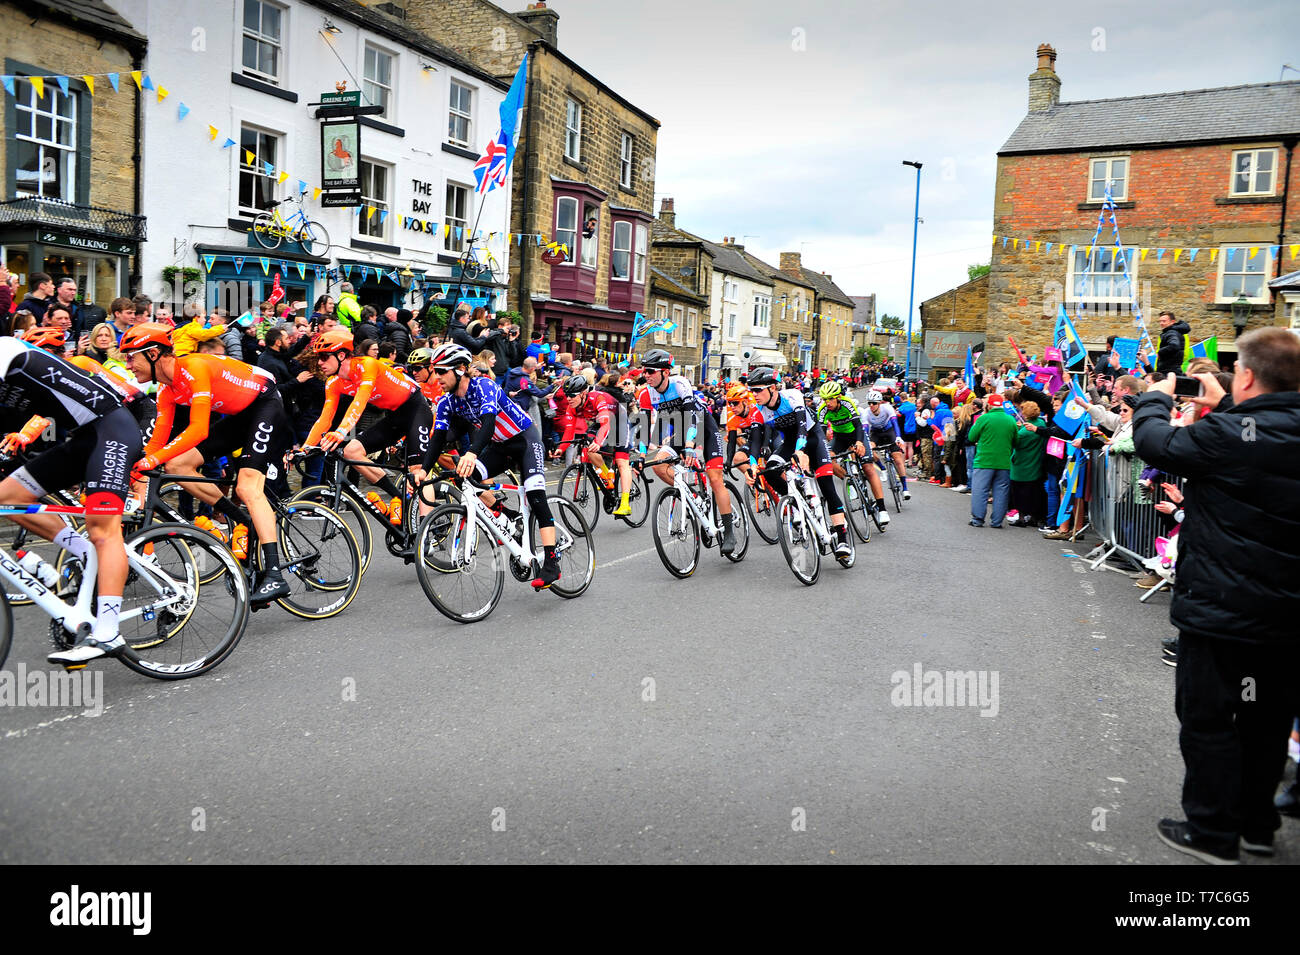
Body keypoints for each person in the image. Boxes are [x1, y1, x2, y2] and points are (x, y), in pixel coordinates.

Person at [1132, 326, 1300, 864]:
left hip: (1224, 612)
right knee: (1265, 721)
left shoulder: (1230, 435)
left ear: (1247, 374)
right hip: (1286, 618)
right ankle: (1256, 823)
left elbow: (1157, 443)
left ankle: (1211, 831)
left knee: (1209, 720)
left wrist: (1156, 398)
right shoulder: (1247, 427)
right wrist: (1227, 404)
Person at [121, 322, 294, 605]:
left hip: (266, 404)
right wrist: (137, 466)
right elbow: (156, 443)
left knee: (248, 487)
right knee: (176, 466)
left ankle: (275, 574)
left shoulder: (193, 368)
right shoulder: (167, 391)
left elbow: (199, 429)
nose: (128, 365)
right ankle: (243, 521)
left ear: (153, 354)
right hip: (240, 415)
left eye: (131, 357)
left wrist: (153, 458)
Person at [0, 334, 142, 666]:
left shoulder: (5, 350)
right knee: (8, 497)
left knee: (103, 530)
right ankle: (85, 553)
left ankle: (108, 633)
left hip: (112, 430)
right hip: (84, 438)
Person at [421, 341, 563, 588]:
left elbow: (487, 423)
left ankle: (551, 561)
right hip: (500, 447)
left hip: (525, 440)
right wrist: (422, 470)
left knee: (535, 493)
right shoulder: (447, 401)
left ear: (461, 369)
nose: (436, 377)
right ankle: (507, 516)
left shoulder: (483, 385)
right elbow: (439, 438)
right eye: (434, 370)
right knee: (464, 475)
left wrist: (472, 453)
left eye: (441, 371)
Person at [639, 349, 739, 555]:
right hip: (680, 431)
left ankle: (729, 531)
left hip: (703, 428)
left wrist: (690, 446)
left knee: (715, 478)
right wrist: (640, 456)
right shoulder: (646, 393)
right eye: (644, 371)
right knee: (659, 464)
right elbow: (643, 427)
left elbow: (692, 417)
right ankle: (693, 496)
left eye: (650, 371)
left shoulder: (680, 384)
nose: (646, 375)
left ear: (665, 372)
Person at [965, 394, 1017, 528]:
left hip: (984, 461)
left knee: (980, 491)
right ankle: (997, 521)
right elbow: (1016, 441)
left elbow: (971, 436)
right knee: (1001, 492)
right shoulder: (1010, 420)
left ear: (989, 405)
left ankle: (978, 519)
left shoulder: (984, 418)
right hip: (1004, 462)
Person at [1155, 311, 1191, 378]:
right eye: (1160, 321)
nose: (1161, 323)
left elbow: (1174, 345)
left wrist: (1160, 352)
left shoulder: (1171, 333)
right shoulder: (1175, 332)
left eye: (1164, 321)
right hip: (1173, 369)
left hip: (1169, 371)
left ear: (1172, 322)